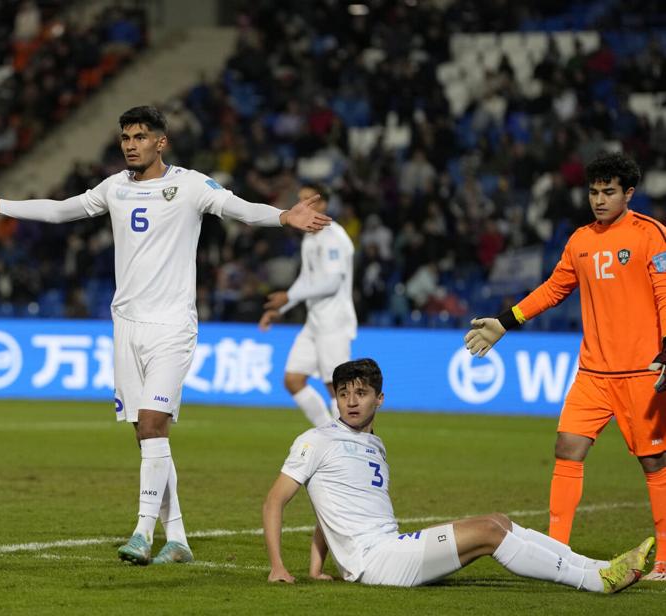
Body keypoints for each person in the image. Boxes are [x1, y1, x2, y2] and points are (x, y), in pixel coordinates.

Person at [0, 105, 331, 566]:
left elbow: (238, 209)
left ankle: (141, 533)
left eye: (140, 136)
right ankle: (179, 538)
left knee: (152, 425)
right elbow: (61, 210)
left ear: (160, 142)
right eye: (125, 136)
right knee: (148, 438)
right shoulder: (114, 188)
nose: (130, 144)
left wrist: (283, 217)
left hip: (172, 326)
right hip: (126, 326)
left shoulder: (189, 184)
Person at [263, 358, 653, 593]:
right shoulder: (317, 439)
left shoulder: (374, 445)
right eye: (344, 393)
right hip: (376, 561)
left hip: (389, 548)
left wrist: (316, 567)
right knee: (488, 532)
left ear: (379, 399)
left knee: (499, 521)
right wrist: (279, 566)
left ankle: (598, 567)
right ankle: (596, 581)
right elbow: (274, 501)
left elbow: (332, 507)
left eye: (360, 393)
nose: (350, 401)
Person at [464, 151, 666, 580]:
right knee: (567, 449)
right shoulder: (580, 240)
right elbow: (554, 289)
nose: (599, 200)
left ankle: (665, 560)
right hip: (593, 373)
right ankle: (556, 551)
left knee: (654, 464)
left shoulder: (651, 235)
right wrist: (505, 321)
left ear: (629, 193)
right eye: (594, 192)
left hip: (642, 372)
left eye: (608, 192)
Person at [259, 183, 356, 427]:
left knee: (335, 386)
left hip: (334, 322)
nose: (301, 205)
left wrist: (290, 297)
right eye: (299, 199)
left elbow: (332, 283)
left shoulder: (333, 237)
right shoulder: (311, 237)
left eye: (308, 200)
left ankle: (346, 440)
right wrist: (280, 309)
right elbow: (306, 278)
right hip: (315, 321)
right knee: (293, 379)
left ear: (322, 205)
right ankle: (327, 431)